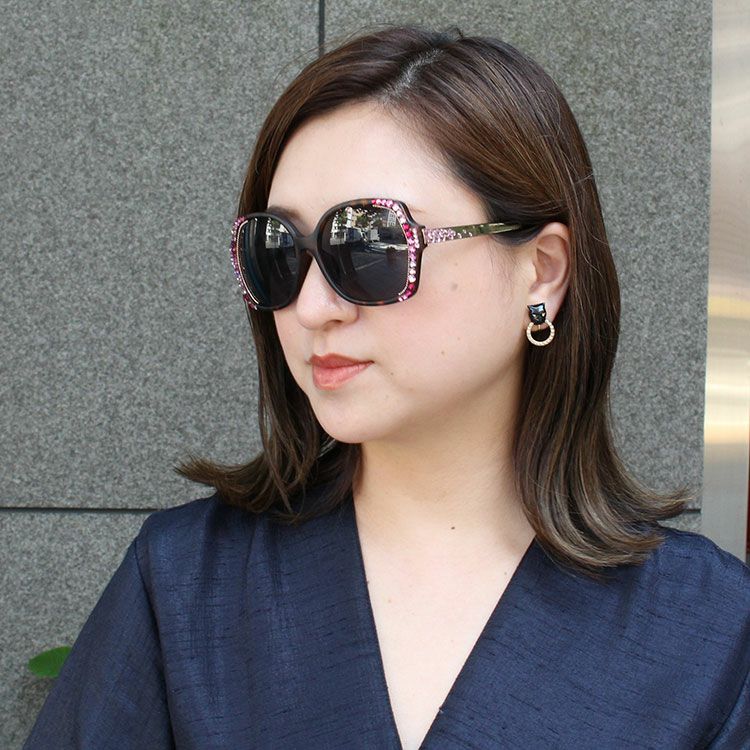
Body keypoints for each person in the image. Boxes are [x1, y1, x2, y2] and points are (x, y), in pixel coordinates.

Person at [24, 23, 749, 750]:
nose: (313, 308)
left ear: (542, 271)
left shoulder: (708, 632)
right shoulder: (186, 586)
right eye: (278, 253)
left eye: (369, 245)